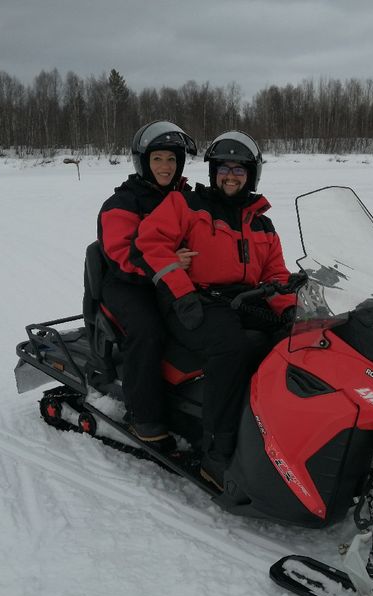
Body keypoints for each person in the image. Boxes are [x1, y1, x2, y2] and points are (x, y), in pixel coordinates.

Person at [131, 130, 296, 489]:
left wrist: (288, 311)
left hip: (242, 301)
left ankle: (279, 433)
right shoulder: (186, 205)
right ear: (213, 172)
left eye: (239, 169)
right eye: (223, 168)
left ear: (251, 175)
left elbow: (276, 273)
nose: (231, 175)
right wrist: (181, 292)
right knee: (232, 346)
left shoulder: (262, 223)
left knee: (292, 345)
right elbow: (150, 244)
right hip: (191, 299)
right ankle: (217, 453)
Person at [97, 120, 198, 450]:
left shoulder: (187, 198)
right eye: (158, 159)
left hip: (174, 278)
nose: (166, 167)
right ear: (144, 162)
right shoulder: (123, 204)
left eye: (171, 159)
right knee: (149, 330)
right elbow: (122, 254)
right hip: (128, 283)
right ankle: (144, 415)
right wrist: (168, 261)